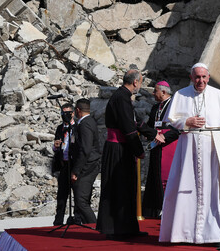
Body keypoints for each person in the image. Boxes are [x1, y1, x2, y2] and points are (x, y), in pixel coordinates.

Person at [159, 63, 220, 244]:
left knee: (214, 190)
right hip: (188, 148)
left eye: (203, 77)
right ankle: (183, 233)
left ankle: (216, 234)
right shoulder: (180, 94)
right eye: (197, 77)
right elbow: (170, 122)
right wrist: (186, 121)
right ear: (191, 78)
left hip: (214, 147)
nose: (200, 80)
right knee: (185, 188)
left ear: (208, 77)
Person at [96, 70, 164, 240]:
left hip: (120, 147)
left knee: (126, 188)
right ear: (135, 82)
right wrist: (139, 150)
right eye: (140, 83)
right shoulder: (122, 98)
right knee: (119, 188)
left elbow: (135, 122)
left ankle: (126, 227)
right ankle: (117, 229)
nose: (139, 86)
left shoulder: (122, 96)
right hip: (118, 148)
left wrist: (152, 133)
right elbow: (129, 128)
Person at [142, 81, 179, 218]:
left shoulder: (174, 105)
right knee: (154, 176)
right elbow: (151, 125)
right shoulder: (155, 107)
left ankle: (167, 208)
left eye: (155, 91)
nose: (153, 93)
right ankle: (155, 209)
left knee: (166, 178)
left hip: (168, 146)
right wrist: (149, 134)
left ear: (163, 92)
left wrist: (163, 137)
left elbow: (177, 127)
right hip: (156, 146)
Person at [70, 98, 101, 225]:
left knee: (81, 199)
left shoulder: (85, 124)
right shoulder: (90, 121)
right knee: (83, 198)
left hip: (88, 166)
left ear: (78, 110)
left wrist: (76, 171)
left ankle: (95, 226)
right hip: (90, 165)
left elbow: (85, 149)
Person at [52, 103, 75, 226]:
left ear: (72, 113)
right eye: (62, 113)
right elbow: (56, 146)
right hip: (63, 165)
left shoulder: (77, 127)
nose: (64, 116)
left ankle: (77, 219)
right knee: (61, 194)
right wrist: (55, 147)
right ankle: (58, 220)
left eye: (66, 113)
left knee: (77, 194)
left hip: (74, 164)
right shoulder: (59, 128)